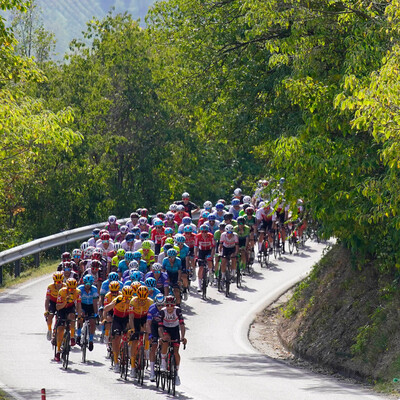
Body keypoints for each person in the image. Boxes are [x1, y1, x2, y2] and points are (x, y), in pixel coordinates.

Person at [103, 286, 134, 372]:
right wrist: (114, 303)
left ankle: (127, 352)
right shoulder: (118, 298)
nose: (127, 298)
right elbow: (106, 308)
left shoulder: (133, 300)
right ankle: (116, 362)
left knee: (129, 334)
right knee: (116, 338)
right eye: (125, 297)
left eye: (129, 297)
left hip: (127, 319)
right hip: (117, 319)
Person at [158, 295, 187, 386]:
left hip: (175, 330)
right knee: (166, 341)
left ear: (174, 305)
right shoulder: (163, 311)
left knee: (176, 352)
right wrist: (162, 337)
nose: (169, 307)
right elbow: (160, 327)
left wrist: (182, 337)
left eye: (171, 305)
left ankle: (176, 374)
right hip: (166, 329)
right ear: (165, 305)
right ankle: (163, 362)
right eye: (167, 305)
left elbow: (182, 325)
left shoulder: (177, 310)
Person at [128, 286, 153, 378]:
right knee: (134, 342)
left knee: (147, 329)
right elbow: (130, 317)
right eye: (140, 299)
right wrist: (133, 329)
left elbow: (150, 319)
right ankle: (133, 368)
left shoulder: (150, 302)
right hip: (135, 318)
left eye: (144, 300)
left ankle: (146, 349)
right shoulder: (133, 301)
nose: (142, 302)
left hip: (144, 318)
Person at [54, 278, 82, 362]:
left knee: (72, 317)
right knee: (60, 329)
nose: (72, 291)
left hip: (70, 308)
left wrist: (79, 316)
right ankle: (58, 351)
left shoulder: (78, 292)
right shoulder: (61, 292)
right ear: (66, 287)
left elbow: (79, 305)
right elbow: (57, 307)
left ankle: (72, 337)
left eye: (74, 289)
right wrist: (65, 301)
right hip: (62, 308)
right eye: (70, 289)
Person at [76, 274, 99, 351]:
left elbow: (95, 302)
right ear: (84, 283)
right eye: (86, 283)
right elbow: (77, 302)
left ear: (92, 284)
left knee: (92, 322)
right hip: (82, 305)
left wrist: (96, 314)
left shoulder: (94, 289)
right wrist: (78, 312)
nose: (87, 285)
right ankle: (78, 335)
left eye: (89, 284)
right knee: (81, 317)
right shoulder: (80, 289)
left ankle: (91, 340)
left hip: (91, 306)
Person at [146, 293, 165, 381]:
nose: (161, 307)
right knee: (153, 347)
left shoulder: (166, 308)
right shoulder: (152, 308)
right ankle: (152, 371)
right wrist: (150, 335)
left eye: (162, 305)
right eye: (159, 305)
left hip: (164, 326)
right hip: (154, 326)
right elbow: (148, 323)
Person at [44, 272, 66, 341]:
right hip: (53, 302)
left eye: (60, 282)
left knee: (60, 317)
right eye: (56, 282)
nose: (58, 284)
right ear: (54, 281)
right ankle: (49, 329)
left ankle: (56, 331)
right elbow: (47, 299)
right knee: (50, 316)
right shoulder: (50, 287)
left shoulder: (65, 286)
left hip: (61, 303)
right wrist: (46, 310)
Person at [194, 224, 215, 291]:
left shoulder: (211, 236)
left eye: (205, 232)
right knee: (201, 268)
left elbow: (213, 247)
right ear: (200, 231)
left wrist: (211, 256)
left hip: (209, 250)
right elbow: (196, 247)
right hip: (201, 251)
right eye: (202, 232)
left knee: (209, 261)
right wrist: (196, 256)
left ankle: (211, 273)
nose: (204, 233)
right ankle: (199, 285)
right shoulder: (198, 236)